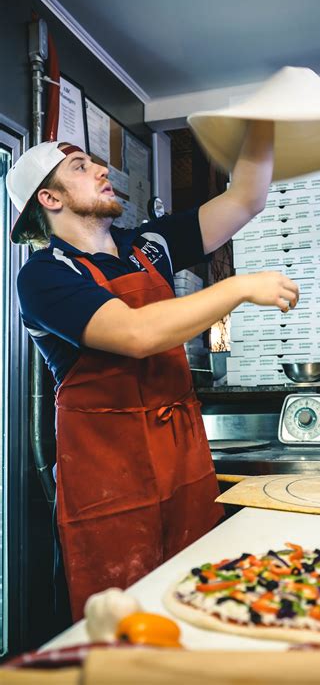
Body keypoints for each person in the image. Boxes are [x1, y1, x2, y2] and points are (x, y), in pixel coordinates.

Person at [6, 122, 299, 621]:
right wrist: (236, 288)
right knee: (128, 621)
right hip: (108, 482)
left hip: (183, 463)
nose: (102, 169)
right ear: (50, 199)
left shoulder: (148, 247)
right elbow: (136, 334)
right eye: (81, 166)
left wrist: (265, 120)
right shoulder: (45, 275)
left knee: (203, 600)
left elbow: (247, 198)